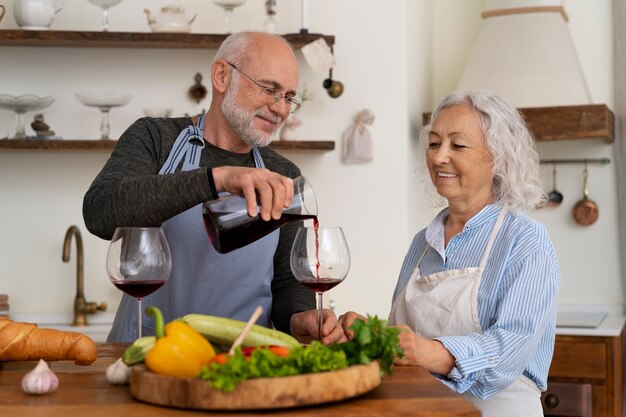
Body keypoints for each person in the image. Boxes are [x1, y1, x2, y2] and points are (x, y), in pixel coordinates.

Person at [83, 31, 346, 345]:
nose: (281, 109)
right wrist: (216, 179)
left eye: (289, 97)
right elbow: (100, 211)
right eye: (269, 89)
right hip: (149, 355)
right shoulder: (156, 138)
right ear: (222, 76)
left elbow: (287, 281)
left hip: (243, 364)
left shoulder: (283, 174)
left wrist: (299, 318)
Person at [339, 91, 560, 417]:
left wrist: (428, 352)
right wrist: (369, 337)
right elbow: (401, 342)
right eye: (433, 143)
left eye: (457, 145)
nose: (439, 157)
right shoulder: (422, 243)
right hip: (420, 409)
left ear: (498, 157)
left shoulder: (525, 240)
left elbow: (508, 350)